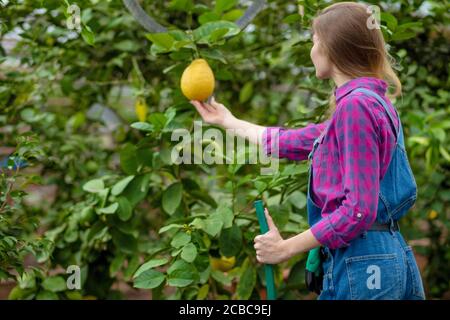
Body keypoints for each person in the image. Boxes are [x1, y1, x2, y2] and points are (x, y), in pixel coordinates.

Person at [190, 2, 425, 300]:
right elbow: (293, 141)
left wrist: (285, 248)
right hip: (383, 255)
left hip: (365, 261)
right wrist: (227, 121)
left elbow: (358, 209)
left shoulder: (356, 107)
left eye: (314, 41)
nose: (312, 50)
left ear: (332, 47)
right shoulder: (373, 104)